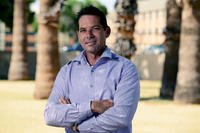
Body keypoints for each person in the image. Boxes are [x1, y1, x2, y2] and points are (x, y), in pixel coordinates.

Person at [44, 5, 140, 133]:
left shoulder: (126, 69)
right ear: (78, 35)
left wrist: (77, 124)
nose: (88, 35)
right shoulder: (67, 72)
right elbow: (50, 115)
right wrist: (92, 106)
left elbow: (121, 116)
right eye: (83, 30)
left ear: (107, 31)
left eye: (95, 29)